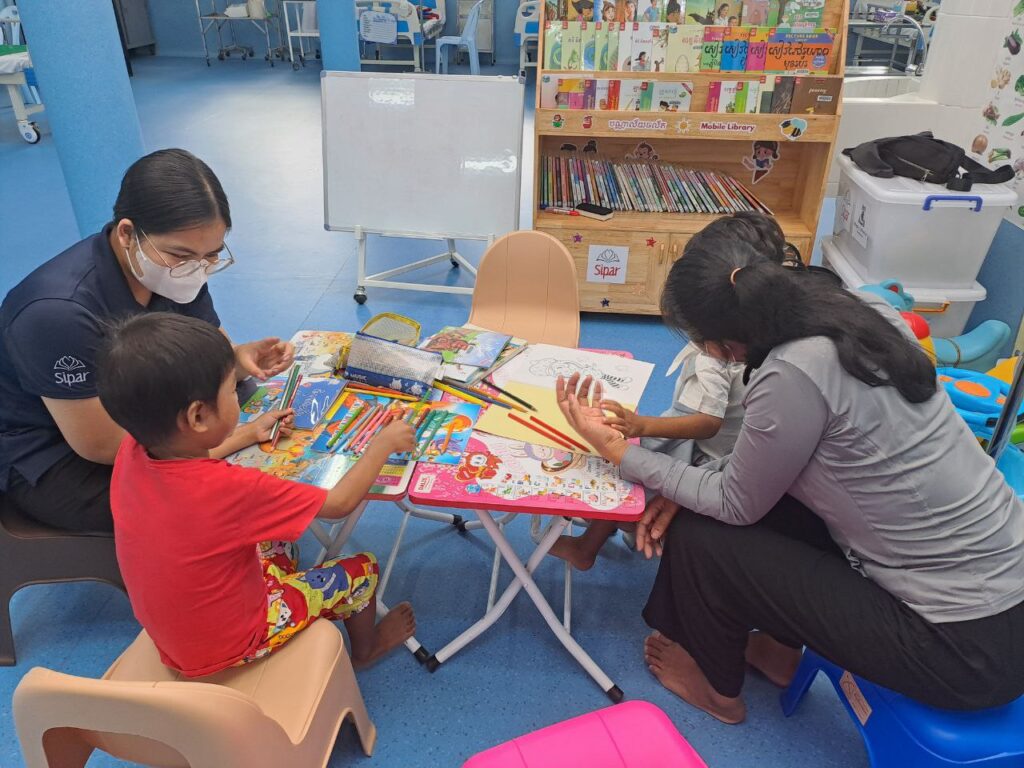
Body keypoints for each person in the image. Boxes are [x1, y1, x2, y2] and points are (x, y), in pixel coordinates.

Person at [556, 233, 1024, 723]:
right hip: (1002, 592)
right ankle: (778, 656)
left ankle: (720, 693)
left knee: (701, 535)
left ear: (724, 347)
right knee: (725, 504)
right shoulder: (861, 311)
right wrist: (683, 486)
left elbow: (737, 502)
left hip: (962, 649)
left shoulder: (789, 373)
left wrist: (616, 452)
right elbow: (773, 458)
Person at [98, 313, 417, 676]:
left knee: (276, 540)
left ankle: (285, 590)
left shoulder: (133, 451)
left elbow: (193, 458)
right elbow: (338, 505)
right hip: (232, 641)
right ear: (198, 416)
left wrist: (249, 433)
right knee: (362, 569)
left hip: (177, 633)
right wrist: (381, 444)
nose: (237, 394)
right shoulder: (229, 490)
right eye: (232, 389)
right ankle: (366, 649)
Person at [0, 149, 294, 532]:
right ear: (127, 234)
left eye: (212, 256)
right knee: (212, 499)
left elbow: (210, 356)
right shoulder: (56, 313)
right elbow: (102, 445)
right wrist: (235, 438)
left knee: (261, 417)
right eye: (182, 254)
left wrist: (238, 359)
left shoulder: (171, 270)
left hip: (145, 411)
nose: (198, 269)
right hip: (55, 454)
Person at [550, 213, 788, 571]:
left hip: (701, 449)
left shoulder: (716, 352)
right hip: (728, 448)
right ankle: (612, 526)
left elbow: (707, 422)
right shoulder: (759, 335)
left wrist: (642, 426)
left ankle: (591, 545)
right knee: (630, 463)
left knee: (627, 463)